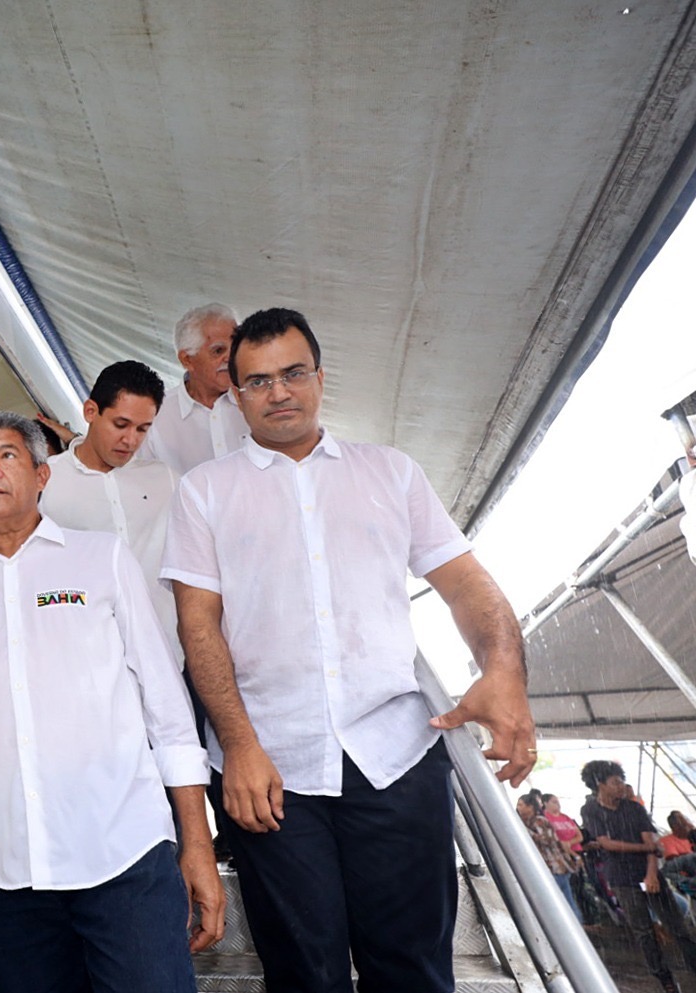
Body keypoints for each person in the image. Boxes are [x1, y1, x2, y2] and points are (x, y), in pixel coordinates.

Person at [162, 307, 536, 993]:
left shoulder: (390, 473)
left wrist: (504, 671)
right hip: (270, 771)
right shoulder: (205, 492)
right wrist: (238, 744)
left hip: (396, 756)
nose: (279, 391)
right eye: (258, 380)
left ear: (320, 376)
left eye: (293, 373)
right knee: (306, 974)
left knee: (415, 970)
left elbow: (467, 584)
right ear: (236, 393)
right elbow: (199, 627)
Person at [0, 412, 224, 992]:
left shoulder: (102, 560)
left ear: (42, 476)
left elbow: (168, 711)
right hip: (8, 874)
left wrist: (196, 843)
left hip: (124, 856)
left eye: (6, 456)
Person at [40, 360, 179, 644]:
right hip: (84, 651)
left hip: (163, 653)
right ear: (90, 411)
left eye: (142, 429)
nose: (130, 440)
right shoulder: (45, 481)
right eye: (121, 424)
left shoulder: (166, 480)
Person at [581, 760, 696, 993]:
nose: (621, 786)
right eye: (615, 782)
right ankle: (664, 979)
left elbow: (651, 841)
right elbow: (607, 844)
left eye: (621, 780)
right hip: (622, 879)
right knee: (643, 931)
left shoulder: (634, 808)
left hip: (648, 875)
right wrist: (647, 849)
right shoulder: (591, 810)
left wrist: (651, 874)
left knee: (676, 925)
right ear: (599, 783)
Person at [137, 303, 249, 475]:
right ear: (187, 360)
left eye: (235, 348)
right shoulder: (156, 416)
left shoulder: (255, 400)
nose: (230, 358)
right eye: (218, 351)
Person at [519, 792, 581, 922]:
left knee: (563, 902)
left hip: (554, 867)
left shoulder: (539, 821)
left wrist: (526, 832)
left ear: (530, 807)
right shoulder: (528, 822)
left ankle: (575, 926)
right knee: (565, 901)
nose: (518, 808)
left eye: (521, 805)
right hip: (550, 868)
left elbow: (546, 840)